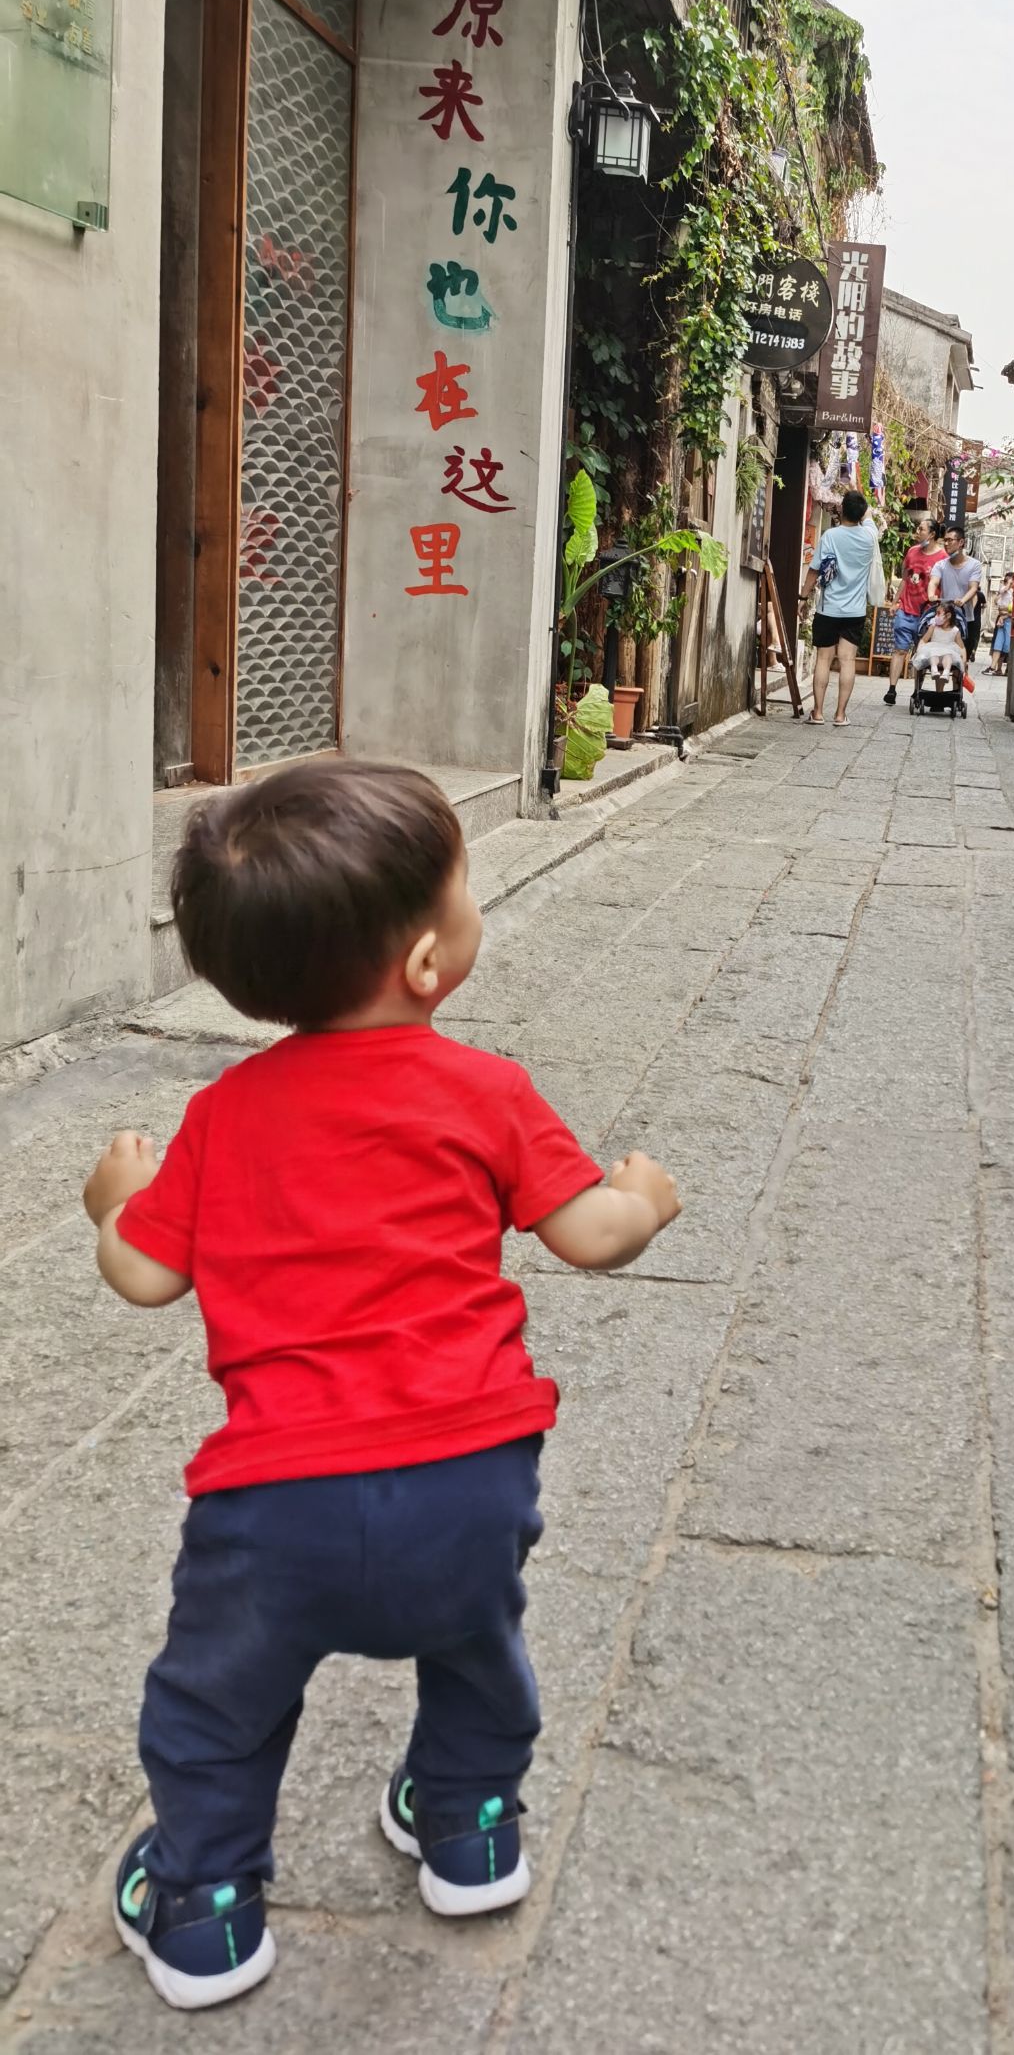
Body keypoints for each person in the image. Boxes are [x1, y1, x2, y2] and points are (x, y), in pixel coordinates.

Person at [80, 759, 682, 2008]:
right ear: (425, 965)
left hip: (275, 1505)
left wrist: (112, 1199)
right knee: (477, 1649)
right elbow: (594, 1236)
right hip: (471, 1477)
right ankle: (468, 1827)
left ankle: (205, 1904)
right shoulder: (489, 1094)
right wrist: (646, 1192)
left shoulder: (225, 1115)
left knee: (218, 1701)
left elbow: (142, 1274)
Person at [801, 487, 882, 727]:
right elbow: (868, 517)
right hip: (854, 611)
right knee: (847, 661)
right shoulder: (869, 536)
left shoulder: (830, 537)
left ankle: (817, 713)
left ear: (841, 509)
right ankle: (840, 714)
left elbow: (815, 570)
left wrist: (803, 597)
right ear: (861, 513)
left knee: (824, 659)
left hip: (829, 608)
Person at [884, 511, 946, 705]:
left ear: (932, 534)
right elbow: (905, 579)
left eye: (922, 529)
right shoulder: (912, 552)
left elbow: (942, 588)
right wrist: (896, 602)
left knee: (921, 654)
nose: (918, 531)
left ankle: (917, 691)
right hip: (906, 609)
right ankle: (892, 690)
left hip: (927, 614)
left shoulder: (942, 559)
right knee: (899, 650)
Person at [929, 525, 984, 689]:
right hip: (945, 618)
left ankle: (955, 693)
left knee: (960, 657)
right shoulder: (940, 565)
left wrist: (963, 599)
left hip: (966, 617)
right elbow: (933, 581)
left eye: (950, 540)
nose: (946, 544)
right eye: (944, 540)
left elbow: (973, 587)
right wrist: (931, 594)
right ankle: (939, 695)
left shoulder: (974, 565)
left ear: (961, 542)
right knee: (941, 653)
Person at [913, 599, 968, 691]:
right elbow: (924, 640)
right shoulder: (933, 627)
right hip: (934, 651)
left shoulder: (955, 631)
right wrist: (920, 650)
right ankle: (934, 670)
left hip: (948, 653)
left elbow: (961, 647)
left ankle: (946, 673)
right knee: (933, 654)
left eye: (938, 614)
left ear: (948, 616)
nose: (935, 616)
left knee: (948, 656)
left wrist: (964, 661)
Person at [988, 575, 1014, 676]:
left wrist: (1004, 616)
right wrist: (1007, 585)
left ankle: (1007, 668)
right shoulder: (1004, 591)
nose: (1009, 584)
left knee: (1008, 645)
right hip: (1002, 619)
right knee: (998, 643)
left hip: (1007, 619)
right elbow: (997, 600)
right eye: (1007, 582)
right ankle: (994, 667)